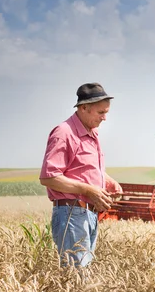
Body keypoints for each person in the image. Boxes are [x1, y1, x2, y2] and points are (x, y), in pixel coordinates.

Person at [39, 83, 123, 268]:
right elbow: (49, 177)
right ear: (84, 107)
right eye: (101, 112)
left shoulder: (91, 133)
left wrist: (108, 181)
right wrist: (87, 189)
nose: (105, 118)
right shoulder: (64, 133)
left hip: (88, 214)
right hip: (72, 213)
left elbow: (84, 167)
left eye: (106, 112)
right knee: (77, 277)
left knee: (82, 275)